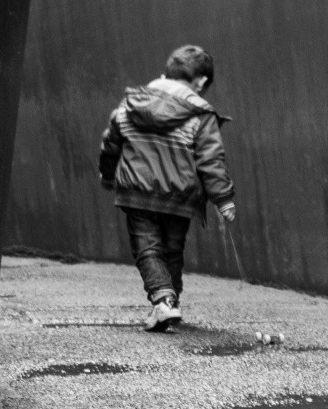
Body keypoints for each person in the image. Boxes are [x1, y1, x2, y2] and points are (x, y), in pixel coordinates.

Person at [98, 45, 238, 331]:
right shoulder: (200, 114)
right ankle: (170, 304)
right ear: (199, 82)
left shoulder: (131, 105)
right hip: (180, 196)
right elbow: (211, 159)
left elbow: (111, 142)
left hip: (137, 192)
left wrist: (109, 176)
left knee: (147, 248)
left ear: (165, 74)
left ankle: (163, 302)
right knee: (172, 251)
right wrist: (222, 198)